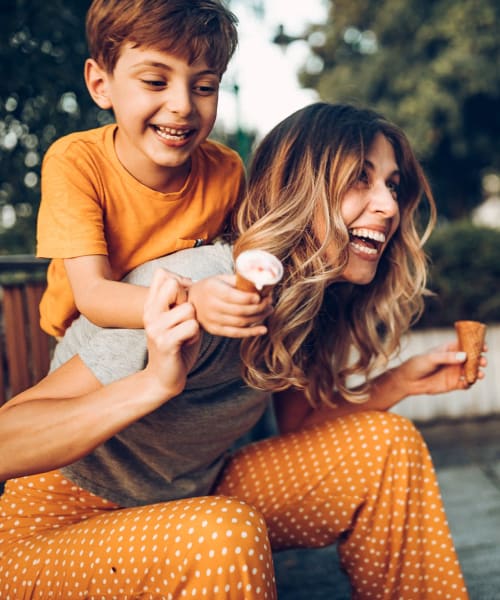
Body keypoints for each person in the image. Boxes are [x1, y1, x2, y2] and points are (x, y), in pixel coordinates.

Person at [0, 103, 483, 599]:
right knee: (222, 535)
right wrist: (153, 384)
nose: (388, 206)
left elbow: (294, 424)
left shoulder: (306, 301)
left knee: (386, 445)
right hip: (53, 530)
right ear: (299, 188)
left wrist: (398, 382)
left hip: (186, 498)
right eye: (360, 180)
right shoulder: (200, 286)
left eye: (393, 185)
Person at [36, 0, 269, 340]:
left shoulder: (226, 170)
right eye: (155, 81)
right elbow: (93, 295)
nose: (183, 105)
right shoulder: (75, 161)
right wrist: (193, 300)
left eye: (204, 87)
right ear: (101, 85)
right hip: (86, 338)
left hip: (173, 332)